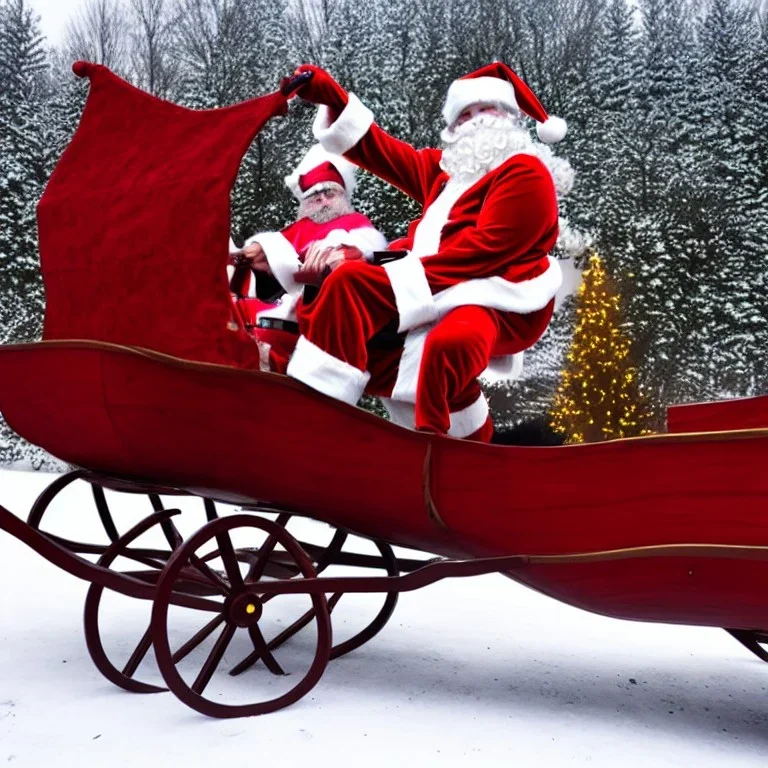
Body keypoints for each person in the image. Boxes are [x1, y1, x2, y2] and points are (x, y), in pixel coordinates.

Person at [281, 62, 568, 442]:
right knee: (382, 343)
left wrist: (385, 271)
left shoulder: (526, 173)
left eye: (486, 110)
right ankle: (462, 442)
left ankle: (406, 438)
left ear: (509, 117)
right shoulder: (446, 174)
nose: (476, 120)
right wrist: (333, 97)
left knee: (446, 342)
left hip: (496, 296)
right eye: (465, 113)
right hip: (438, 283)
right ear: (454, 126)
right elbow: (382, 152)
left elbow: (485, 251)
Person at [229, 143, 387, 370]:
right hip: (275, 298)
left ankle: (273, 362)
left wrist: (334, 255)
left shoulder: (355, 223)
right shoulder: (298, 228)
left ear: (341, 195)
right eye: (315, 195)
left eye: (329, 193)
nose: (322, 200)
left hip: (315, 301)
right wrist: (256, 253)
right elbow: (270, 254)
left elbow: (363, 250)